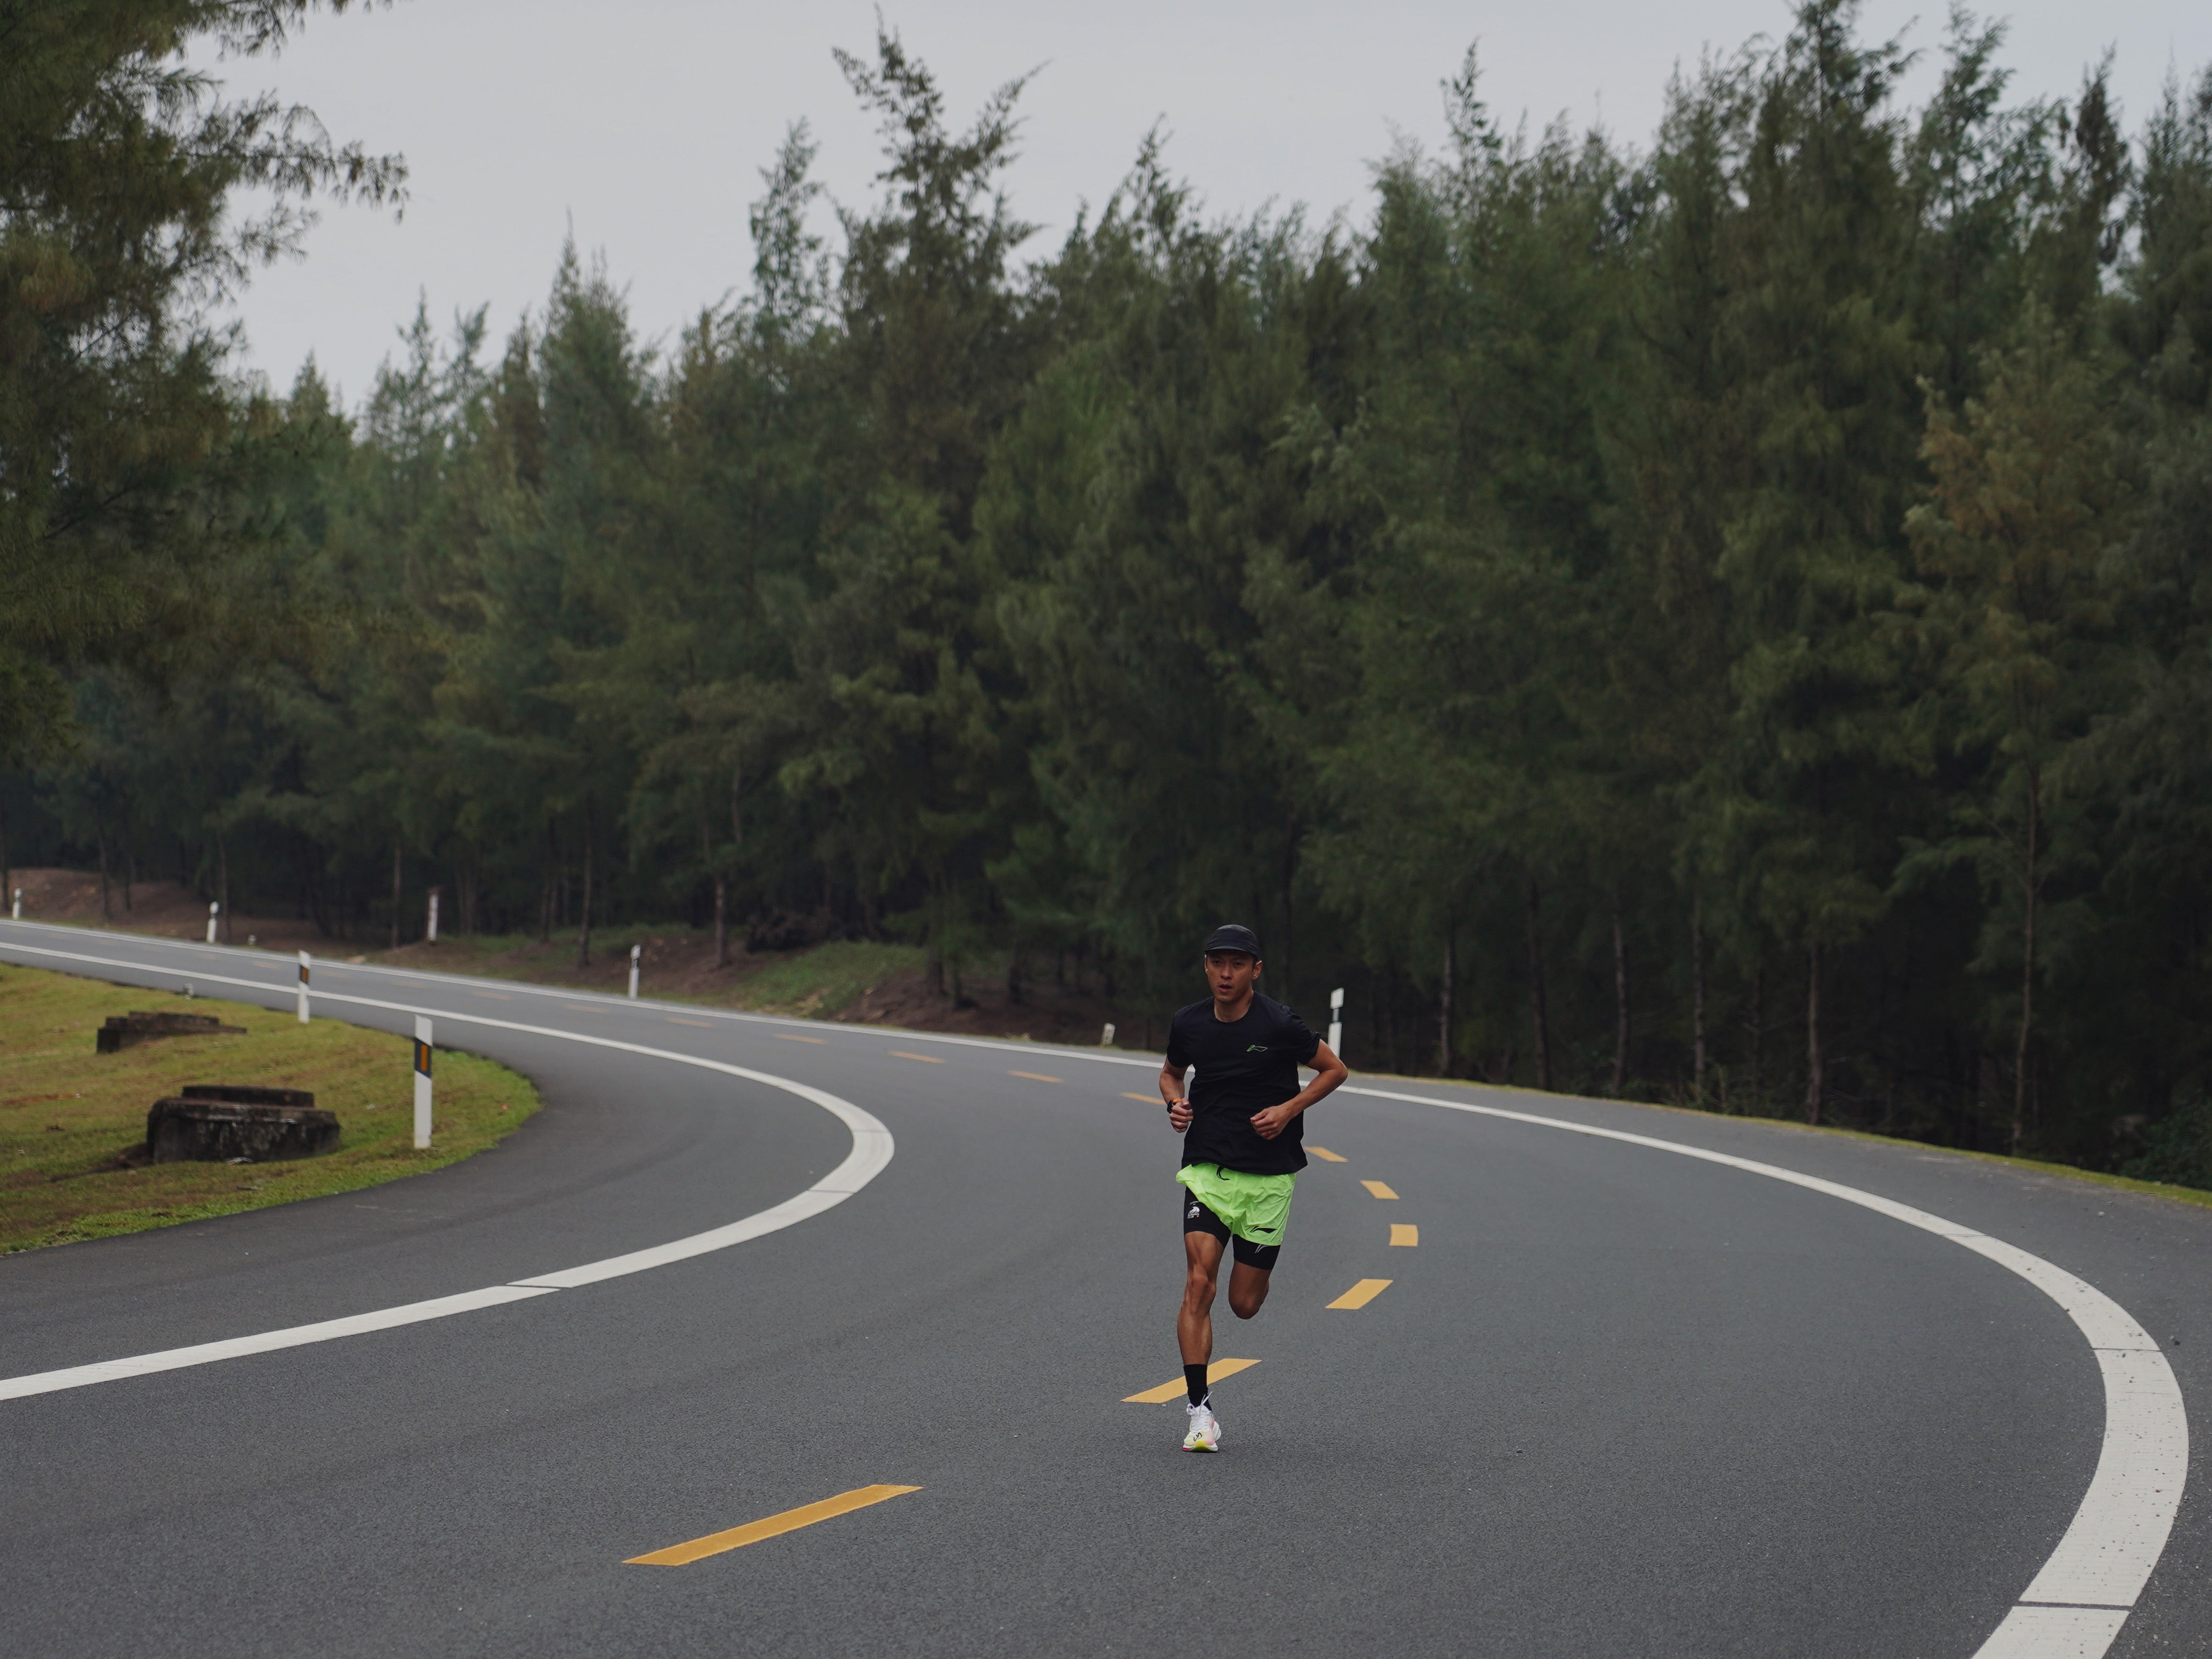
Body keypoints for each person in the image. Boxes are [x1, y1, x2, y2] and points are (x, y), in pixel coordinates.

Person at [1159, 923, 1349, 1452]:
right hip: (1208, 1170)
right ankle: (1200, 1411)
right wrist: (1175, 1103)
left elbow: (1335, 1070)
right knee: (1199, 1283)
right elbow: (1171, 1073)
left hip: (1268, 1179)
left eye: (1237, 964)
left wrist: (1289, 1109)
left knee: (1244, 1304)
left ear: (1255, 970)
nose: (1226, 973)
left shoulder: (1279, 1023)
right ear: (1206, 966)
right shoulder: (1190, 1023)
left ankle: (1249, 1288)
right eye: (1217, 962)